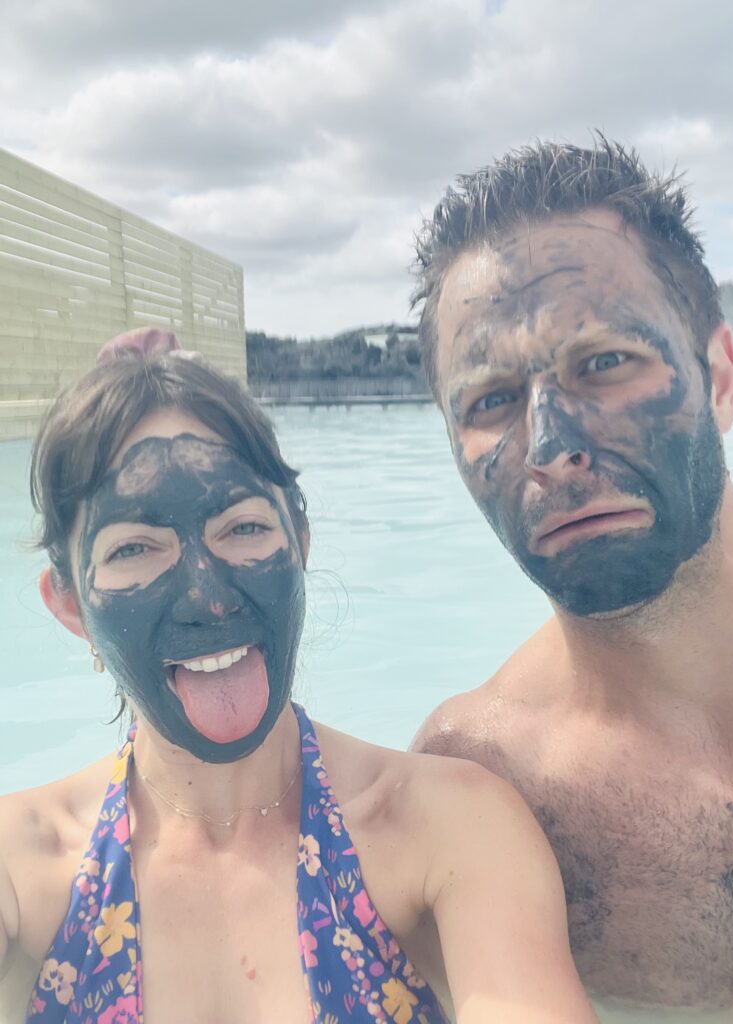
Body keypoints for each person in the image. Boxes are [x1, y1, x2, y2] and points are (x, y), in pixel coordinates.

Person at [0, 343, 596, 1024]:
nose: (209, 598)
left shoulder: (448, 831)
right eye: (134, 547)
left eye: (245, 528)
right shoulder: (22, 864)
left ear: (301, 542)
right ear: (70, 603)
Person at [410, 138, 733, 1014]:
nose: (550, 449)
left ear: (719, 377)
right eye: (490, 401)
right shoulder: (481, 788)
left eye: (604, 363)